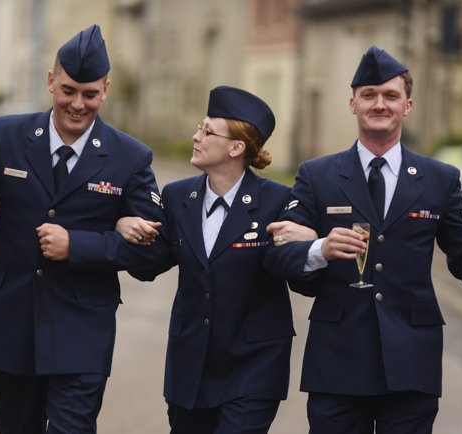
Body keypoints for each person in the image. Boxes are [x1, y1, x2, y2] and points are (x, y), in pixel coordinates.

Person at [0, 25, 167, 434]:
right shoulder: (9, 135)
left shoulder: (130, 157)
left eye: (90, 94)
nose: (77, 104)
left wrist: (80, 245)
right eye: (69, 90)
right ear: (51, 81)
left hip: (82, 329)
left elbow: (152, 254)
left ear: (105, 90)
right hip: (9, 323)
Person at [263, 45, 462, 433]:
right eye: (369, 95)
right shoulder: (315, 175)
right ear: (353, 104)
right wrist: (320, 249)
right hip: (337, 360)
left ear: (407, 106)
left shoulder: (440, 178)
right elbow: (277, 257)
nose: (380, 104)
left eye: (391, 95)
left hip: (412, 358)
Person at [116, 85, 316, 434]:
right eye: (200, 126)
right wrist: (124, 225)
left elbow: (299, 274)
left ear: (237, 147)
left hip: (254, 366)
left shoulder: (278, 201)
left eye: (207, 131)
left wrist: (312, 243)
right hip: (190, 364)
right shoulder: (178, 196)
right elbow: (150, 265)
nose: (196, 136)